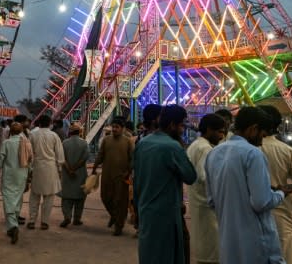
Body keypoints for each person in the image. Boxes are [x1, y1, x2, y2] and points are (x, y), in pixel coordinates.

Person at [205, 106, 289, 264]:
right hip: (256, 245)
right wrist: (280, 194)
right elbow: (261, 202)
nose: (261, 141)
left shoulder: (213, 153)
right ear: (253, 129)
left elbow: (211, 200)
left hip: (228, 244)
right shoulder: (253, 154)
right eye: (262, 135)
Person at [133, 105, 197, 263]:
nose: (183, 130)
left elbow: (137, 178)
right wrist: (181, 147)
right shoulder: (172, 146)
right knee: (167, 255)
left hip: (145, 209)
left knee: (150, 254)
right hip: (166, 213)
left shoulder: (143, 142)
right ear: (172, 125)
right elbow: (190, 176)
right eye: (182, 125)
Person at [260, 105, 292, 264]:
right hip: (281, 218)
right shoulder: (287, 152)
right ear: (277, 125)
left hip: (248, 218)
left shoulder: (241, 150)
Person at [186, 113, 227, 264]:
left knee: (204, 249)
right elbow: (206, 177)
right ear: (209, 130)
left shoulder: (195, 145)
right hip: (207, 207)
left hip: (198, 204)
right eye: (220, 131)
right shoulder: (205, 149)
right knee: (212, 253)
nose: (222, 136)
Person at [92, 117, 134, 235]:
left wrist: (129, 171)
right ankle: (114, 216)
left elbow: (132, 159)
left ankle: (119, 226)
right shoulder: (106, 140)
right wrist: (94, 167)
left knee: (120, 201)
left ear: (122, 129)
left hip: (122, 176)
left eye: (117, 127)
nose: (114, 129)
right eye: (113, 127)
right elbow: (100, 155)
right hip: (107, 174)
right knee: (105, 197)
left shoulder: (128, 141)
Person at [27, 114, 65, 230]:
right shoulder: (54, 135)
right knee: (49, 198)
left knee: (34, 196)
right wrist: (60, 170)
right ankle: (44, 222)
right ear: (50, 124)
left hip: (37, 167)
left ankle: (32, 221)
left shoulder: (32, 134)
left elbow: (29, 154)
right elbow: (60, 155)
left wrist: (29, 169)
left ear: (38, 123)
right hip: (50, 168)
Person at [0, 122, 30, 244]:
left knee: (8, 199)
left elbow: (1, 160)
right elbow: (30, 160)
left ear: (10, 131)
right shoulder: (26, 142)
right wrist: (29, 175)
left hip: (9, 176)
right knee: (18, 199)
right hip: (22, 175)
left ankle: (13, 226)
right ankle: (13, 224)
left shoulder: (7, 143)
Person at [60, 122, 89, 227]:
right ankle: (77, 219)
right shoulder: (84, 143)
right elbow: (85, 158)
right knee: (80, 198)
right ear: (79, 132)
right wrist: (75, 169)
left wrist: (69, 170)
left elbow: (62, 158)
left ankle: (67, 217)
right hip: (80, 174)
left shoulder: (64, 143)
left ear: (70, 132)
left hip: (67, 175)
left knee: (66, 198)